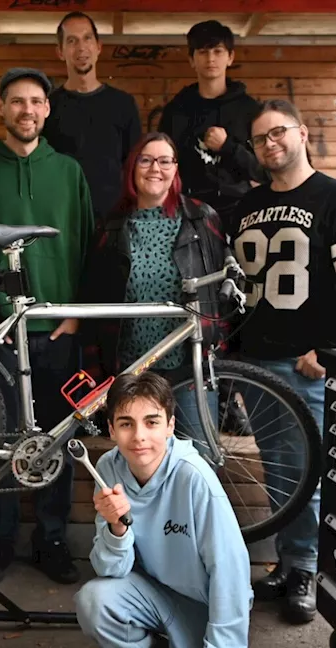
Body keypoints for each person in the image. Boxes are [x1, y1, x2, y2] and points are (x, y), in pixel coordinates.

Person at [232, 98, 336, 624]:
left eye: (278, 133)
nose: (270, 144)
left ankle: (306, 568)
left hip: (305, 364)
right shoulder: (247, 205)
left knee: (306, 471)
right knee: (280, 470)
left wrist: (333, 347)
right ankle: (287, 562)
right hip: (256, 364)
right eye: (259, 139)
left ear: (301, 133)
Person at [0, 67, 94, 586]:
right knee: (2, 436)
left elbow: (85, 245)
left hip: (57, 328)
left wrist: (76, 315)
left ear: (47, 109)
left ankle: (53, 538)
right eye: (16, 101)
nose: (27, 110)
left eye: (36, 102)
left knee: (57, 434)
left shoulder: (68, 172)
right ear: (0, 108)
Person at [74, 372, 252, 648]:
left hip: (202, 605)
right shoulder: (107, 467)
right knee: (94, 599)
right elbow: (110, 571)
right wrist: (116, 527)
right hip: (150, 592)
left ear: (170, 425)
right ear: (111, 430)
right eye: (126, 424)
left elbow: (231, 576)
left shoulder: (194, 478)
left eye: (151, 422)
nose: (139, 436)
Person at [77, 132, 231, 433]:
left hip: (189, 368)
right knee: (141, 456)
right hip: (131, 371)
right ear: (132, 168)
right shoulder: (112, 226)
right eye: (145, 160)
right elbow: (95, 297)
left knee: (199, 457)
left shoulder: (201, 218)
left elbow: (219, 290)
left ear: (175, 169)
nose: (154, 169)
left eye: (164, 161)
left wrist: (217, 350)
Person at [156, 20, 266, 232]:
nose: (211, 59)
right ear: (192, 59)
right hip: (187, 212)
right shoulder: (176, 109)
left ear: (230, 57)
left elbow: (263, 171)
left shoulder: (249, 110)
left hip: (240, 210)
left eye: (218, 51)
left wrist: (228, 147)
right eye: (203, 52)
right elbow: (162, 165)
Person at [41, 11, 144, 221]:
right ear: (60, 51)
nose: (81, 48)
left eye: (87, 38)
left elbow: (136, 166)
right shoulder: (48, 107)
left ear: (98, 47)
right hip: (62, 219)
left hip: (114, 221)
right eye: (72, 41)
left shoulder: (123, 104)